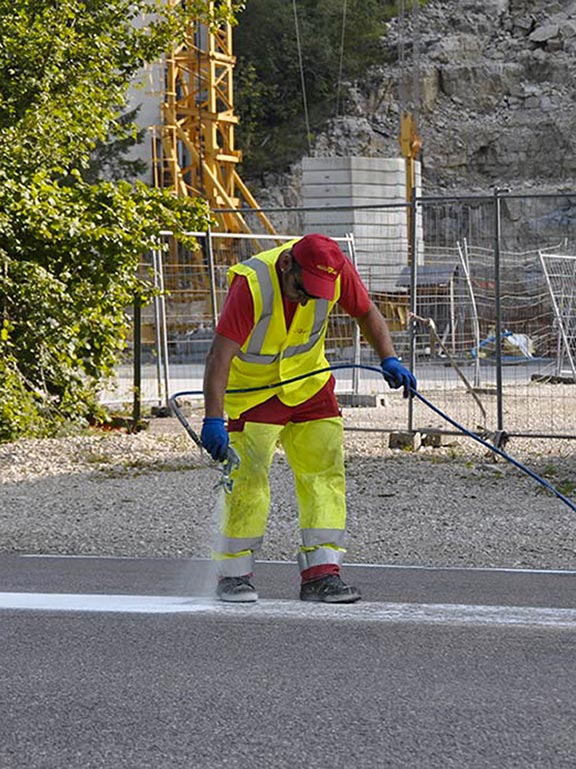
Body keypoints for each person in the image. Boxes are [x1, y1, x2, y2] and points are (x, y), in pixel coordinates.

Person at [201, 233, 416, 604]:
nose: (308, 299)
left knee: (325, 476)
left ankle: (322, 574)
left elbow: (366, 311)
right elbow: (219, 356)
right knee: (248, 480)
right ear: (287, 265)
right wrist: (213, 419)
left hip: (309, 385)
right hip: (255, 393)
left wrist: (389, 358)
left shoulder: (334, 269)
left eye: (317, 294)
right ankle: (233, 575)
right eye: (303, 290)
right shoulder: (252, 285)